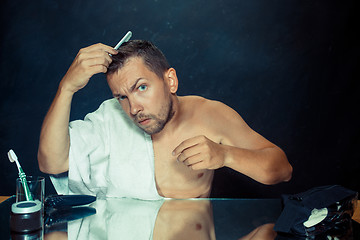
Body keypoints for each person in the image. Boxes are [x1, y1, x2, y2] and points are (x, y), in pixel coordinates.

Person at [38, 40, 292, 199]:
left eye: (141, 88)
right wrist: (66, 88)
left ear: (170, 81)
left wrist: (226, 155)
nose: (134, 108)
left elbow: (282, 170)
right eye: (121, 97)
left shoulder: (210, 114)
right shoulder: (110, 118)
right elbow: (52, 162)